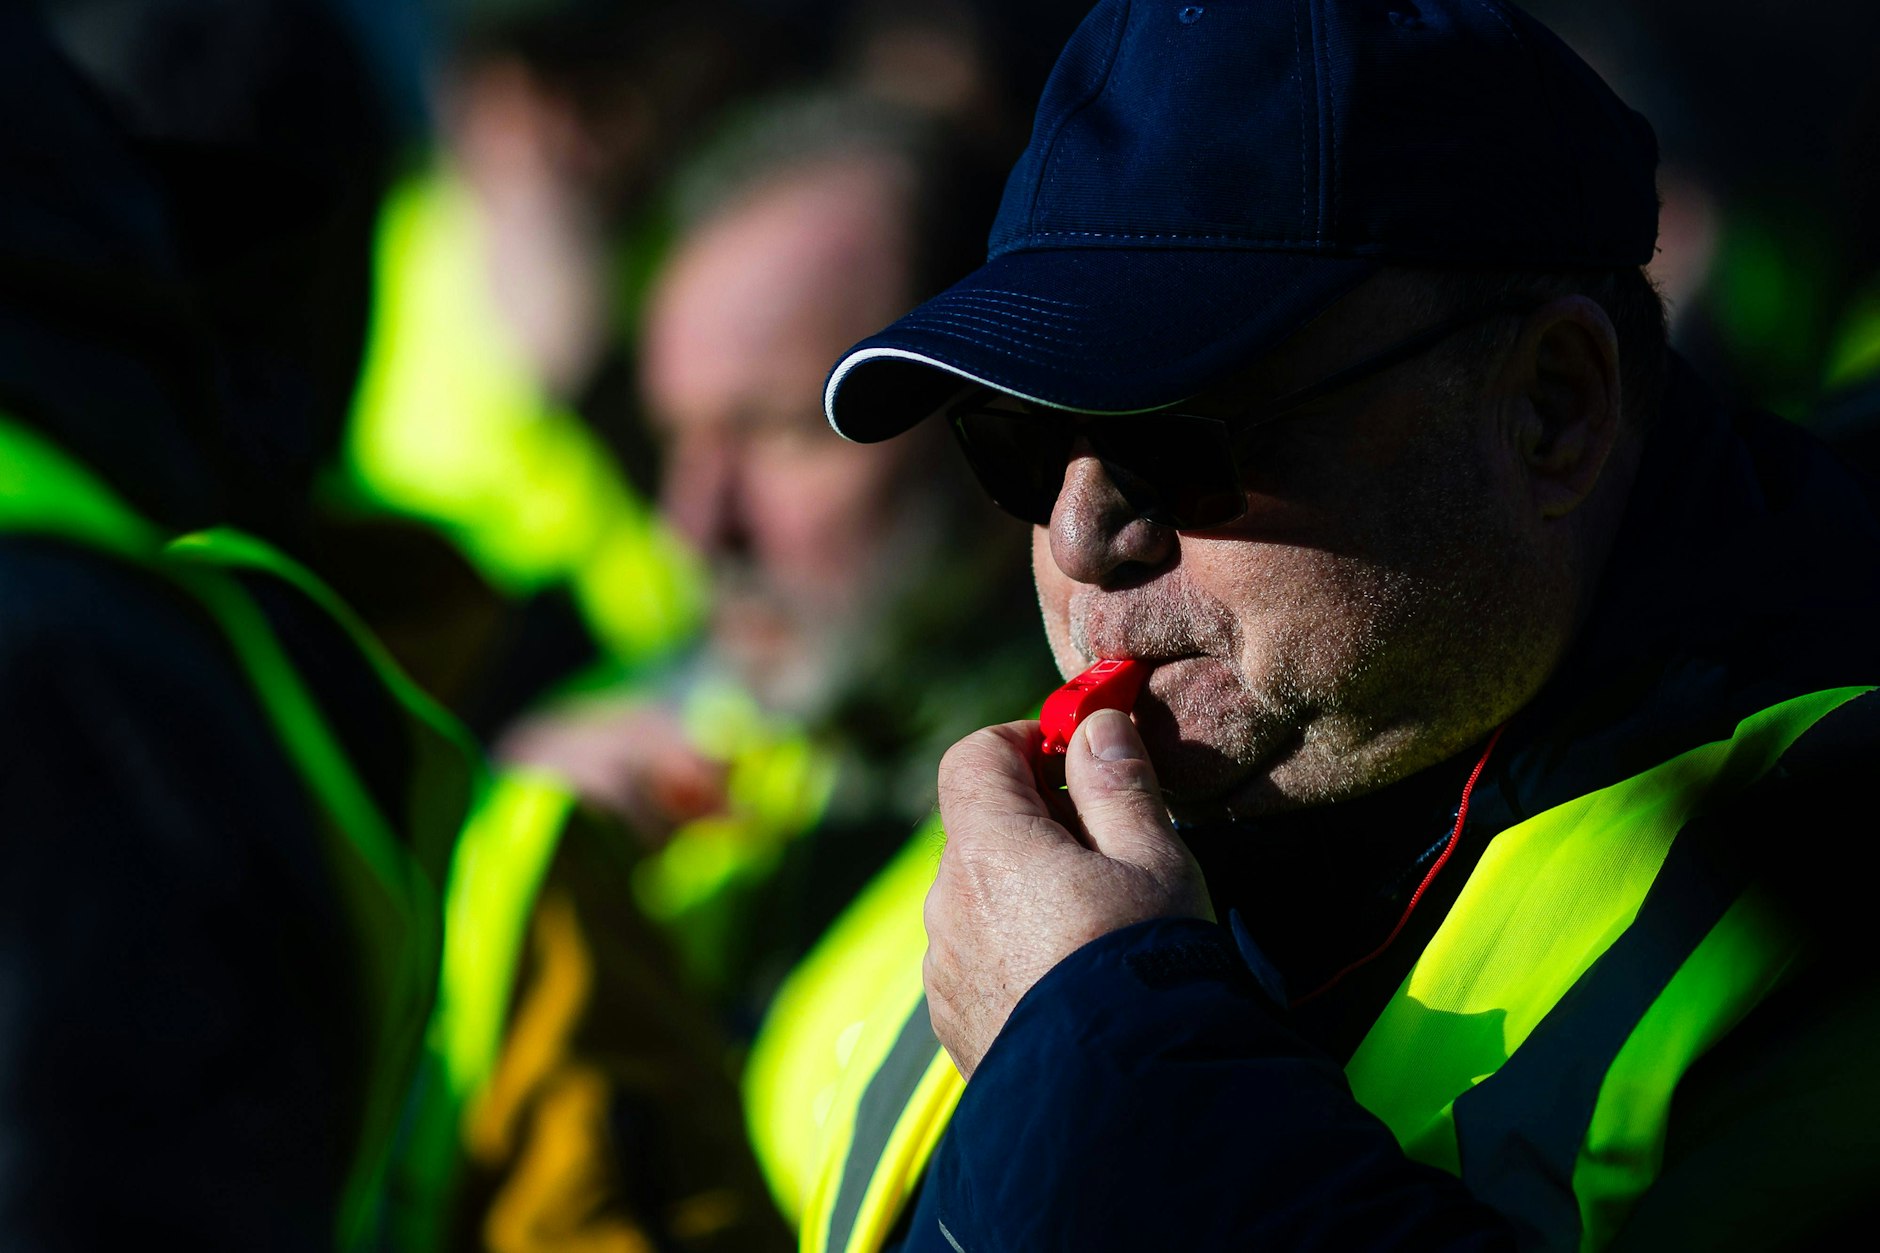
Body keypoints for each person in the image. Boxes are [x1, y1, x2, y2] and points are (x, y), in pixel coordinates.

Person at [766, 1, 1880, 1249]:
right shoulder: (1013, 886)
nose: (1078, 537)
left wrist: (1104, 1056)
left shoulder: (1824, 876)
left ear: (1551, 409)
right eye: (1014, 446)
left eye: (1177, 442)